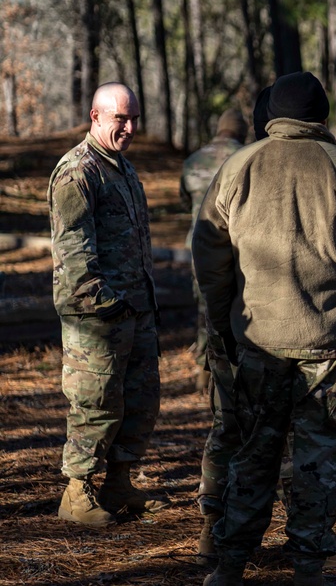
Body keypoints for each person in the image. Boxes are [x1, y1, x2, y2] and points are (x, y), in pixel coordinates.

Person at [193, 71, 336, 586]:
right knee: (320, 462)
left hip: (257, 341)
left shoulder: (238, 166)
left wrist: (222, 321)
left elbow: (210, 255)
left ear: (273, 115)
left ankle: (228, 566)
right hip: (331, 347)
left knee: (252, 457)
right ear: (322, 116)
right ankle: (310, 567)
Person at [48, 82, 170, 527]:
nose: (130, 127)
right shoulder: (78, 172)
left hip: (134, 310)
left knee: (140, 400)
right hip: (97, 317)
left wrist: (139, 305)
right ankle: (76, 494)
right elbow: (73, 251)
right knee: (95, 403)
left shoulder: (121, 167)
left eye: (134, 118)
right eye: (121, 118)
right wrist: (106, 307)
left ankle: (119, 482)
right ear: (96, 117)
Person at [180, 108, 248, 391]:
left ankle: (202, 369)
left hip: (199, 245)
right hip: (235, 247)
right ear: (241, 131)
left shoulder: (194, 159)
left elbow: (185, 199)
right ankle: (231, 369)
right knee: (236, 306)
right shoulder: (247, 158)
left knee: (204, 306)